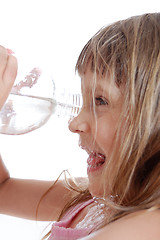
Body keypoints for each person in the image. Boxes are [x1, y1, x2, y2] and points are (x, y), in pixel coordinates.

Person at [0, 13, 160, 240]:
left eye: (100, 101)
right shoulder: (87, 200)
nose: (74, 124)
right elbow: (2, 190)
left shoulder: (149, 226)